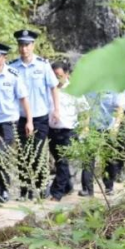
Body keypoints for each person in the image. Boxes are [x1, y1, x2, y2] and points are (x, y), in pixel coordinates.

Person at [9, 29, 59, 199]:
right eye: (21, 45)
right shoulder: (13, 68)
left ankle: (40, 186)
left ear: (33, 46)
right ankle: (24, 189)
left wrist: (56, 109)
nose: (24, 49)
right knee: (23, 153)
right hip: (20, 117)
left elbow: (53, 88)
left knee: (38, 152)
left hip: (40, 116)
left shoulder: (43, 65)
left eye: (27, 45)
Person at [0, 41, 32, 204]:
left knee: (2, 154)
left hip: (8, 122)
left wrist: (29, 121)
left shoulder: (13, 75)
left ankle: (4, 189)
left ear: (4, 57)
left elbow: (23, 99)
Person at [48, 61, 89, 201]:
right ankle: (68, 186)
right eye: (54, 76)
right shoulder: (50, 88)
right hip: (52, 130)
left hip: (68, 130)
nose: (57, 79)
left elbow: (84, 110)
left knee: (62, 161)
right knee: (58, 161)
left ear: (67, 74)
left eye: (59, 75)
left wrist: (84, 128)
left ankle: (56, 192)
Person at [80, 90, 125, 196]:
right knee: (88, 158)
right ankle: (87, 189)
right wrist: (84, 126)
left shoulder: (112, 90)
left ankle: (109, 186)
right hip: (92, 128)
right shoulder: (89, 89)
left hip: (108, 128)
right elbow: (85, 109)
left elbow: (119, 108)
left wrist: (116, 126)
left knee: (109, 159)